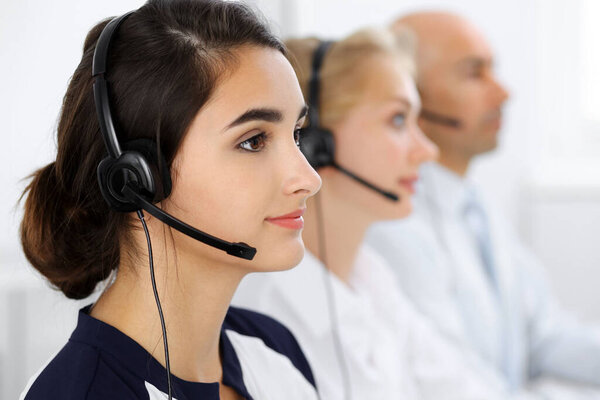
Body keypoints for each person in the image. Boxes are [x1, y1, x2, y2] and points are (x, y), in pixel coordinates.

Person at [18, 1, 323, 399]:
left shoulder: (273, 346)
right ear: (137, 179)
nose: (309, 179)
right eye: (253, 141)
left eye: (296, 134)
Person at [234, 27, 535, 400]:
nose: (426, 151)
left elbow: (464, 389)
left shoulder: (373, 279)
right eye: (397, 120)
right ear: (314, 142)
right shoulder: (261, 314)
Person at [366, 11, 600, 399]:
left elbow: (544, 336)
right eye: (474, 73)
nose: (503, 93)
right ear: (409, 97)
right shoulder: (391, 226)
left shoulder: (478, 206)